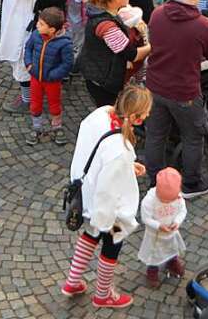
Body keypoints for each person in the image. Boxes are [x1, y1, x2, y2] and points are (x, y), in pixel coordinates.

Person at [61, 85, 152, 308]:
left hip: (87, 196)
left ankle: (72, 281)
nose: (149, 115)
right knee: (111, 247)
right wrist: (107, 222)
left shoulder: (100, 114)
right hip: (111, 214)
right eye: (146, 113)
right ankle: (103, 294)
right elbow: (109, 188)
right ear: (135, 118)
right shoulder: (120, 150)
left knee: (89, 235)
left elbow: (98, 156)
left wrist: (129, 166)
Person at [144, 0, 208, 198]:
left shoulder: (157, 15)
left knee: (155, 135)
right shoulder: (204, 26)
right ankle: (192, 183)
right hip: (184, 92)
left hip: (154, 86)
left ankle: (154, 180)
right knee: (192, 137)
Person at [78, 0, 151, 107]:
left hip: (97, 72)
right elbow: (131, 54)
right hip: (103, 80)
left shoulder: (103, 12)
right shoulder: (107, 26)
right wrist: (152, 47)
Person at [24, 7, 73, 146]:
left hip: (52, 81)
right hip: (35, 78)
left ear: (52, 30)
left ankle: (56, 127)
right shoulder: (36, 35)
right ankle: (36, 127)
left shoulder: (65, 43)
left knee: (54, 103)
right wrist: (28, 64)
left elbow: (67, 64)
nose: (37, 26)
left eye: (41, 24)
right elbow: (28, 48)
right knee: (35, 103)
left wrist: (53, 75)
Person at [138, 168, 187, 288]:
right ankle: (152, 271)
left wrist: (177, 222)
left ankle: (172, 262)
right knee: (153, 255)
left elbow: (182, 211)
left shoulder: (178, 197)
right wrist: (158, 226)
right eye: (164, 200)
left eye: (170, 200)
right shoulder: (149, 201)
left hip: (171, 232)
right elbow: (146, 218)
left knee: (172, 248)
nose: (167, 202)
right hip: (155, 235)